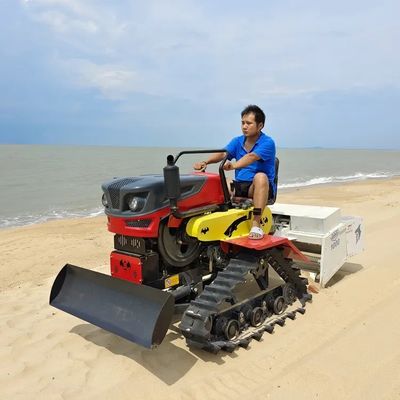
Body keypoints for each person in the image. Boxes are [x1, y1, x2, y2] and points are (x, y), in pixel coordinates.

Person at [193, 105, 276, 239]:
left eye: (249, 123)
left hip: (258, 187)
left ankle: (256, 224)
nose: (244, 126)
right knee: (220, 181)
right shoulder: (237, 141)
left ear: (260, 125)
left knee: (260, 177)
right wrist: (205, 162)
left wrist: (234, 165)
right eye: (242, 123)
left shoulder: (267, 142)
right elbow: (223, 154)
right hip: (240, 185)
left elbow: (251, 157)